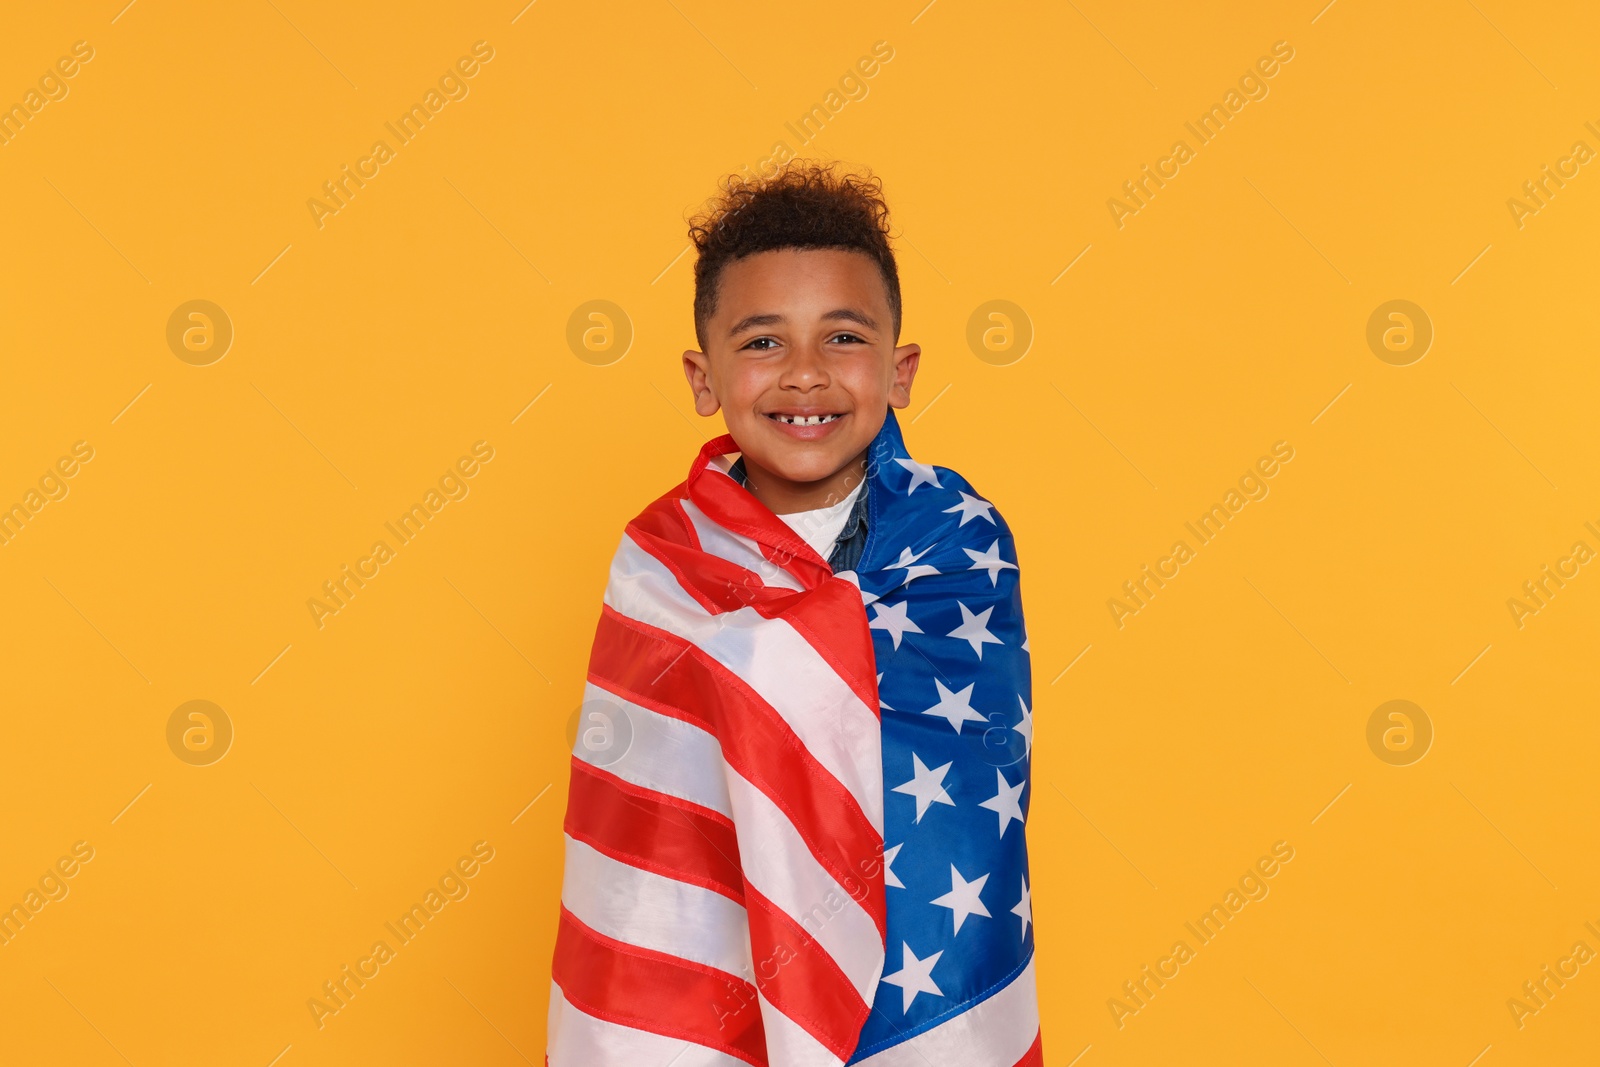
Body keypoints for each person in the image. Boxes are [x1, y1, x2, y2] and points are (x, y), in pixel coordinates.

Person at [548, 161, 1040, 1066]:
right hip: (711, 963)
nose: (805, 375)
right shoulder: (662, 558)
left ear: (901, 369)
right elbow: (641, 812)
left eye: (844, 337)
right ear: (704, 378)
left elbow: (963, 788)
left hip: (914, 974)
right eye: (763, 342)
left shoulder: (956, 540)